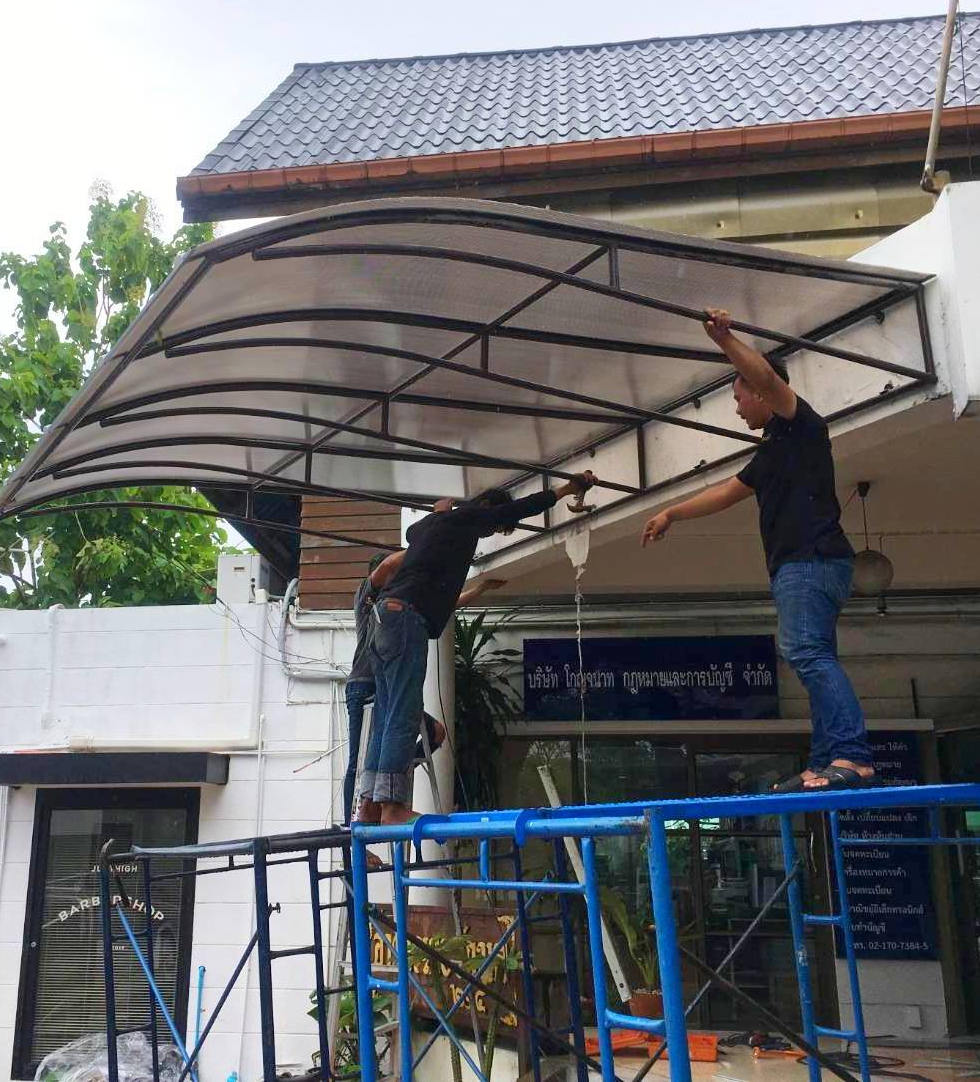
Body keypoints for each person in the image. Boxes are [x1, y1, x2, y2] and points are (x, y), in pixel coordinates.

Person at [642, 308, 875, 793]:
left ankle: (851, 755)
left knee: (806, 652)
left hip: (809, 560)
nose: (737, 409)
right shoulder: (772, 449)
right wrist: (671, 514)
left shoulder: (800, 423)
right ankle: (824, 762)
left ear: (760, 394)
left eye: (737, 397)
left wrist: (724, 340)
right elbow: (726, 492)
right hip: (808, 565)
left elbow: (768, 377)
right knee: (813, 656)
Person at [357, 473, 597, 825]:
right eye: (495, 526)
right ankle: (392, 807)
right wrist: (566, 490)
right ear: (485, 508)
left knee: (386, 713)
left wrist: (440, 511)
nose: (491, 531)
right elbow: (520, 508)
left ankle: (368, 807)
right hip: (406, 619)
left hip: (384, 621)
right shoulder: (468, 518)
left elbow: (415, 530)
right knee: (403, 712)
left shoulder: (432, 526)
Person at [343, 552, 504, 822]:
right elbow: (388, 565)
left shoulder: (406, 598)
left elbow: (447, 605)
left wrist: (481, 588)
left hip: (389, 684)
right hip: (364, 684)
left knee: (435, 732)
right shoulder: (368, 595)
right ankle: (359, 816)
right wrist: (431, 545)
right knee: (356, 759)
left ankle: (385, 785)